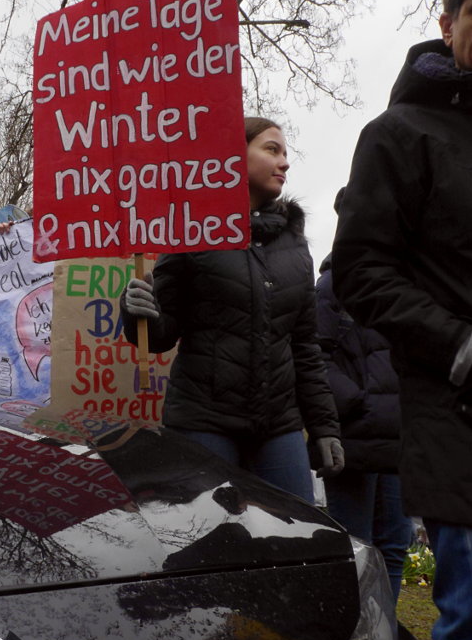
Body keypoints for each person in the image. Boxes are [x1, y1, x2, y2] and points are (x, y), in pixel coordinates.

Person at [332, 0, 472, 640]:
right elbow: (359, 273)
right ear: (450, 18)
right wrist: (460, 347)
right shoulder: (401, 136)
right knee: (467, 637)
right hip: (459, 422)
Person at [120, 115, 343, 503]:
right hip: (204, 424)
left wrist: (325, 428)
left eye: (286, 153)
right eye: (272, 149)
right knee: (211, 542)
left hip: (280, 427)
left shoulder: (295, 247)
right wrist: (137, 309)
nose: (285, 162)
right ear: (233, 157)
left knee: (296, 546)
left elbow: (306, 348)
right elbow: (160, 336)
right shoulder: (192, 229)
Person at [316, 193, 413, 601]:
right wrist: (357, 403)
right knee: (355, 548)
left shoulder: (406, 283)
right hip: (354, 438)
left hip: (400, 439)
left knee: (394, 546)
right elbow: (311, 353)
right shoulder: (334, 283)